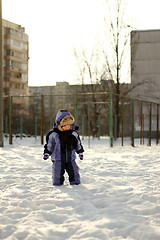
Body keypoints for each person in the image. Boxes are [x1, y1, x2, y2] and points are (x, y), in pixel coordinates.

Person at [43, 109, 84, 186]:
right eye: (65, 125)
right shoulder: (54, 134)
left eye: (69, 125)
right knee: (57, 172)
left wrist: (80, 152)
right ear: (59, 125)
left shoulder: (73, 134)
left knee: (74, 171)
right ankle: (58, 184)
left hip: (70, 158)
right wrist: (47, 153)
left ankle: (75, 183)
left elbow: (78, 143)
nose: (67, 127)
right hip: (58, 158)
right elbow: (49, 145)